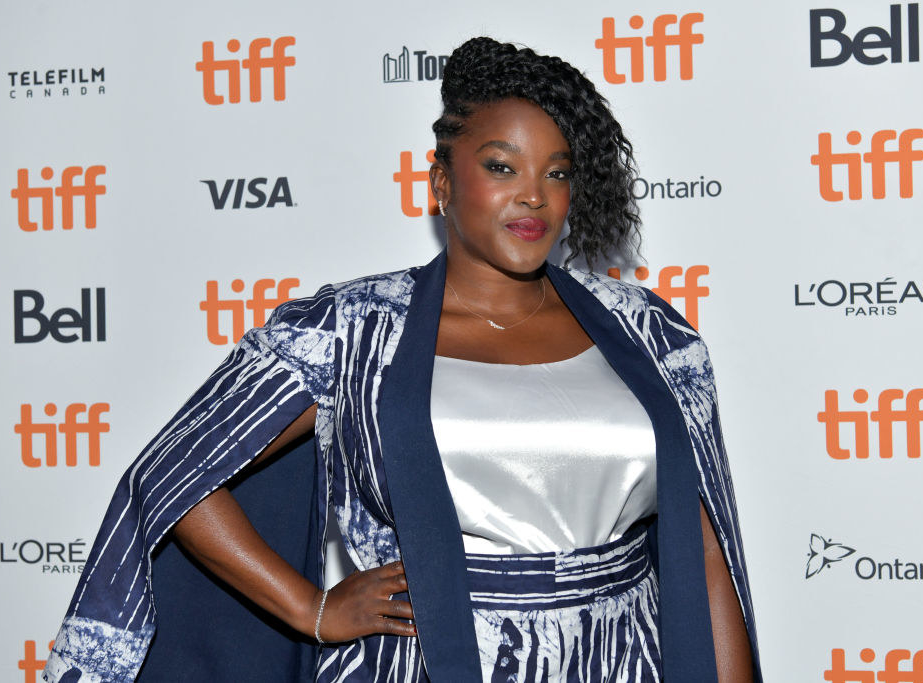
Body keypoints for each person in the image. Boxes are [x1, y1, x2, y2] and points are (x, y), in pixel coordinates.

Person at [43, 37, 761, 682]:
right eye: (502, 165)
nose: (534, 195)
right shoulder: (354, 330)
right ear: (442, 183)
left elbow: (703, 555)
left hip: (623, 658)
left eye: (557, 171)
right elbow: (171, 471)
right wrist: (311, 608)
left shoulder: (649, 334)